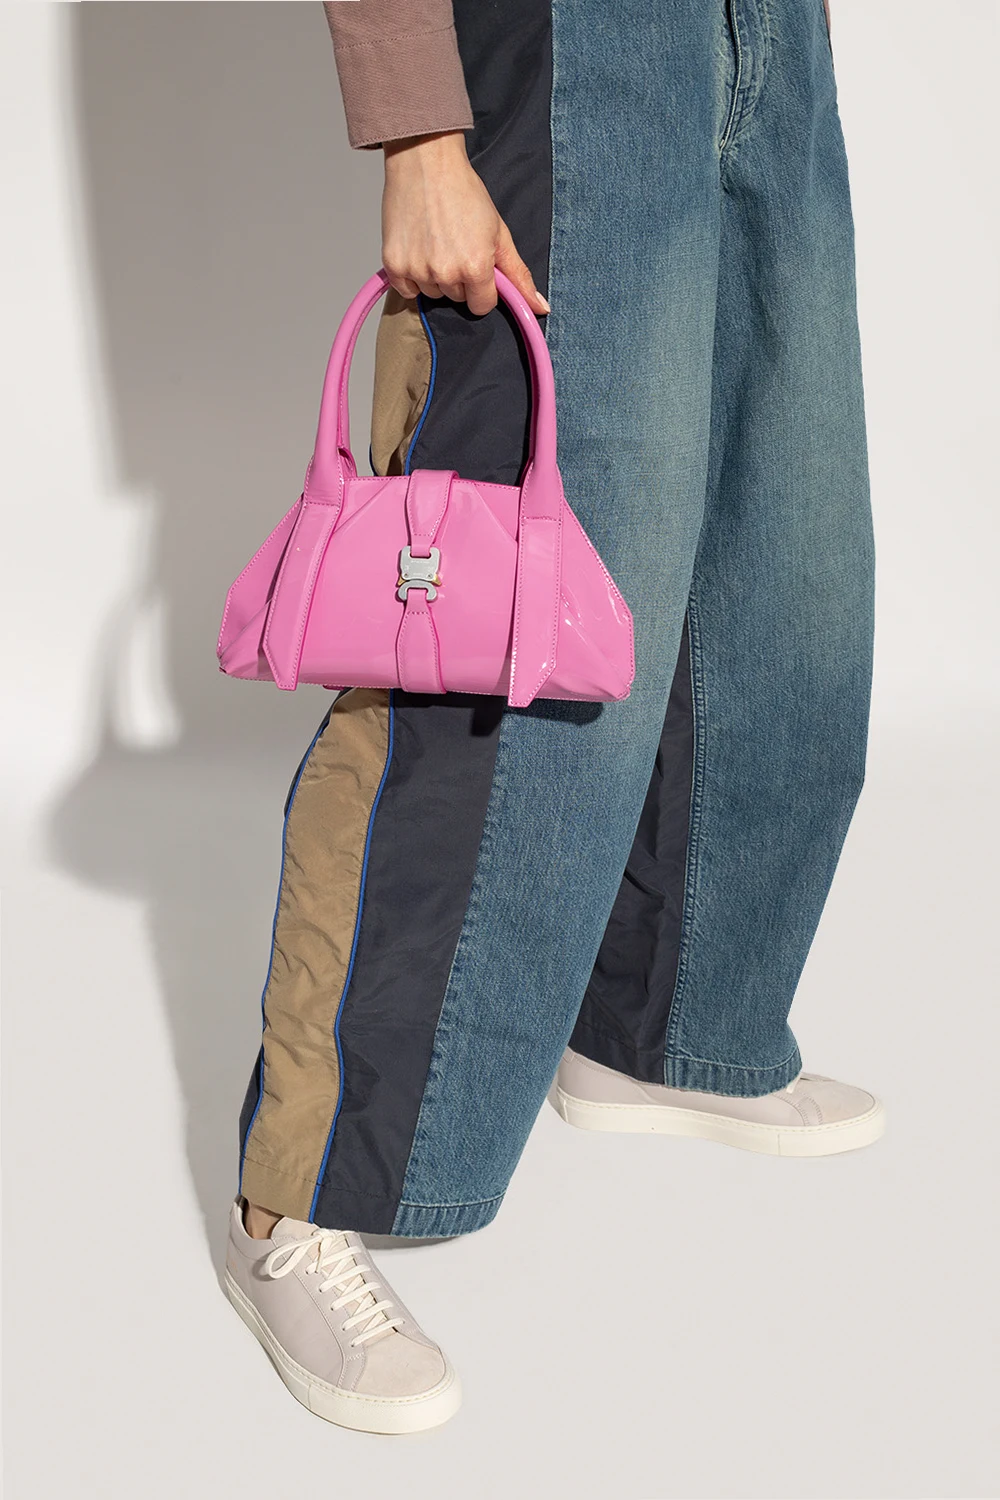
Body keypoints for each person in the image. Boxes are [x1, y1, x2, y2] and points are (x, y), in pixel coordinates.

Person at [223, 0, 882, 1434]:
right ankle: (300, 1195)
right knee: (490, 638)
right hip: (566, 40)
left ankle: (668, 1024)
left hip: (768, 35)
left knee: (778, 560)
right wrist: (417, 125)